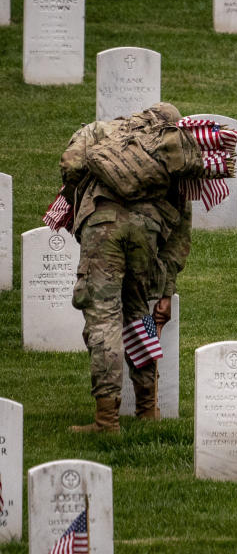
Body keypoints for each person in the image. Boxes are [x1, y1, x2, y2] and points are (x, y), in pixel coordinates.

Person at [59, 102, 202, 432]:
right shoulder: (175, 155)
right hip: (146, 234)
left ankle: (106, 419)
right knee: (139, 316)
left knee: (104, 316)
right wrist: (166, 291)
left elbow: (71, 165)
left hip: (103, 226)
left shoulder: (104, 130)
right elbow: (180, 232)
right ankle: (147, 409)